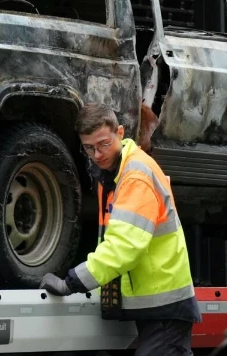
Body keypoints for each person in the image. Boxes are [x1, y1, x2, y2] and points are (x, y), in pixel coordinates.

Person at [39, 103, 201, 355]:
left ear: (121, 132)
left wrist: (72, 282)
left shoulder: (135, 176)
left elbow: (123, 247)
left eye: (103, 144)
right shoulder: (115, 173)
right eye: (89, 148)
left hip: (165, 304)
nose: (97, 154)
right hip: (157, 301)